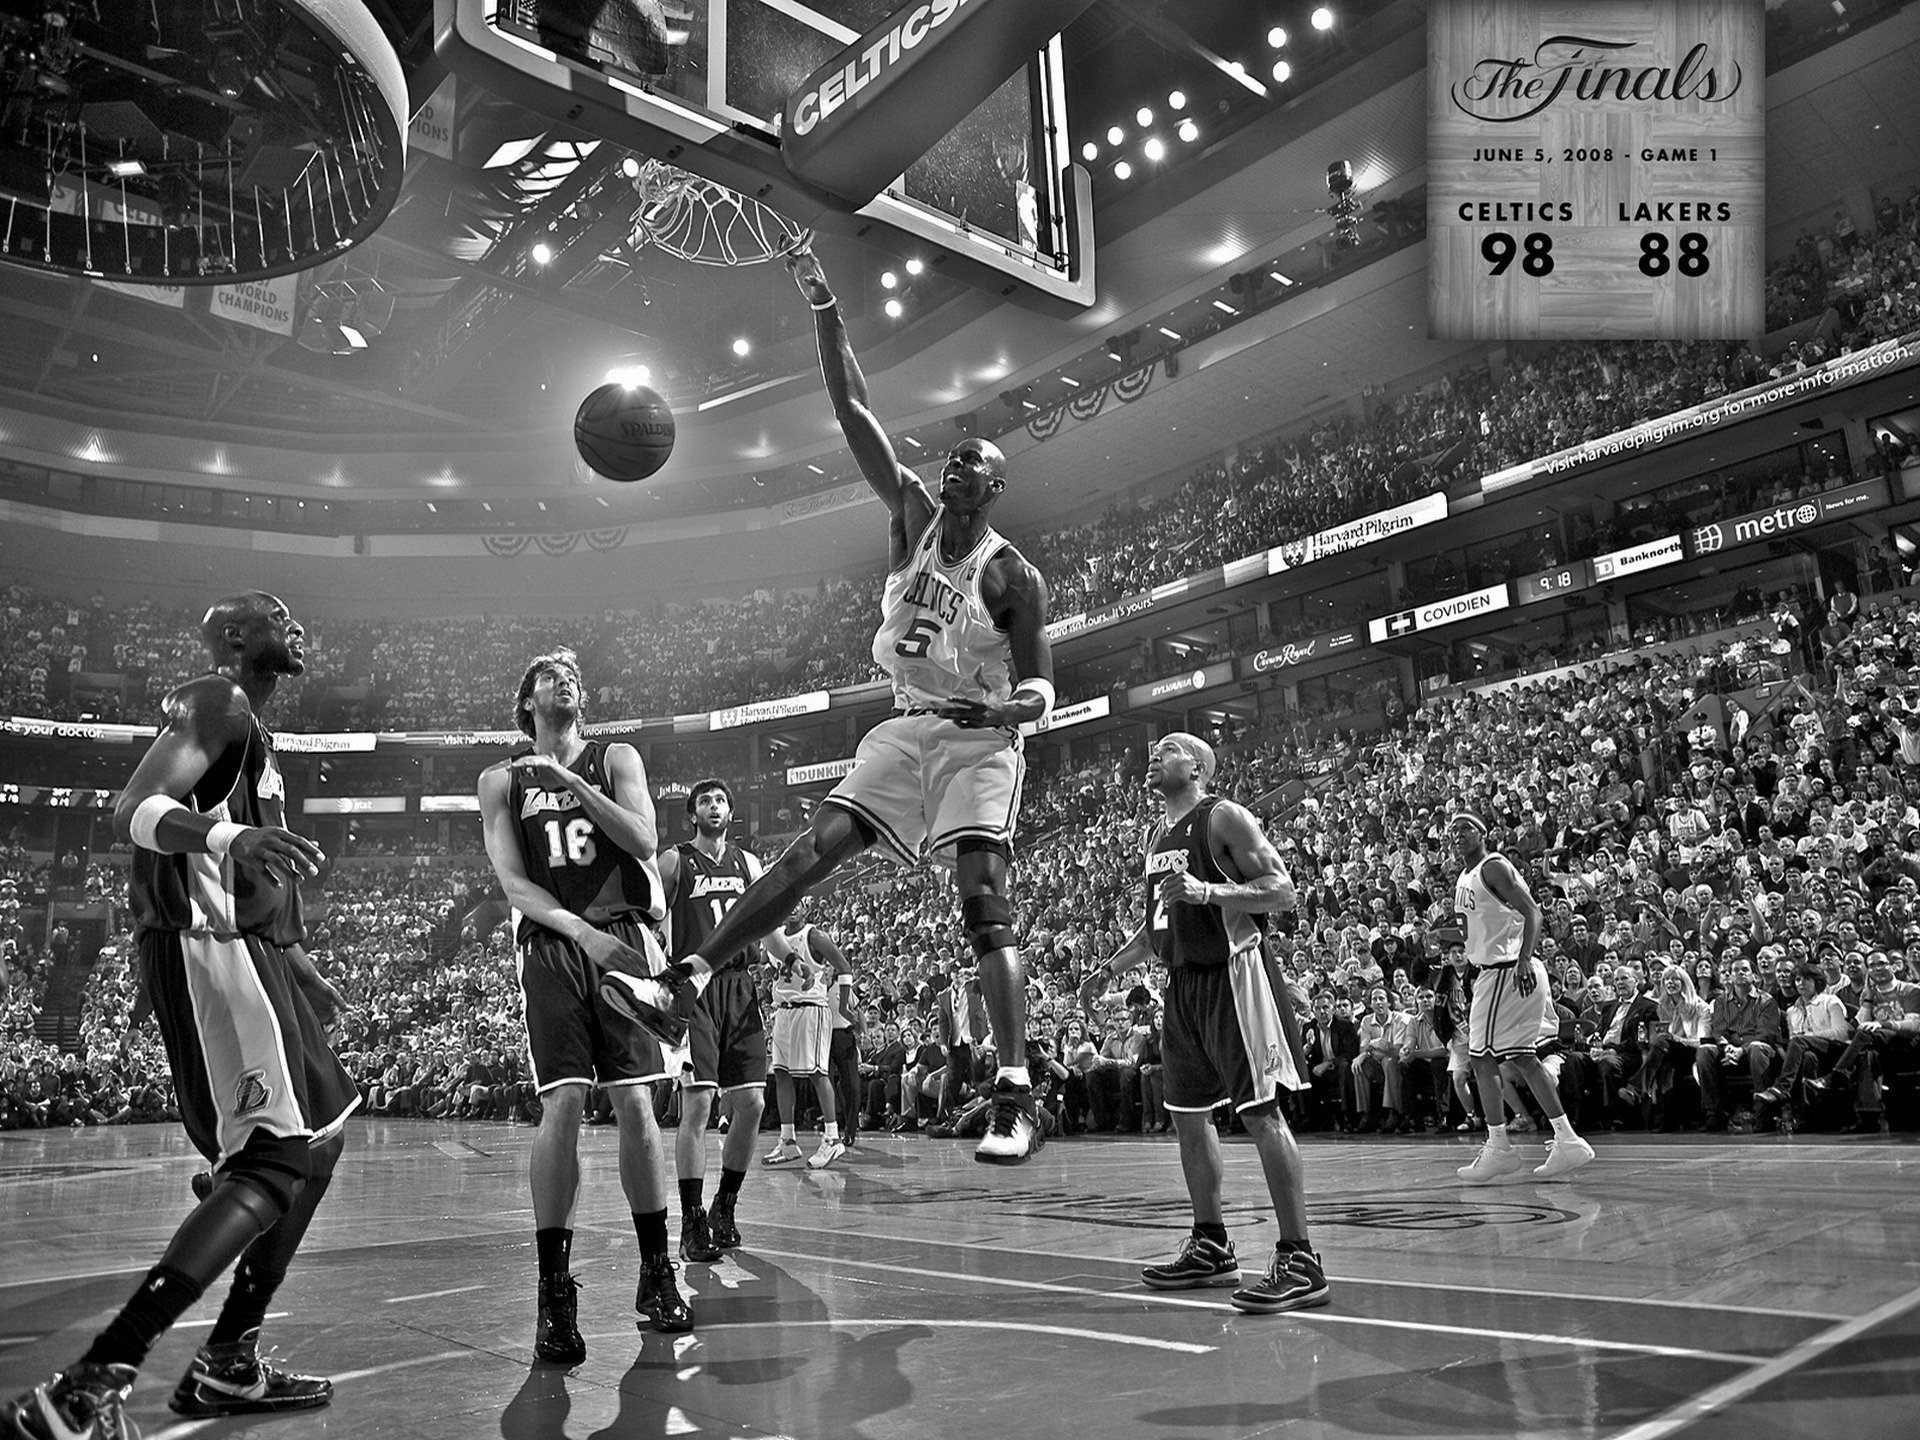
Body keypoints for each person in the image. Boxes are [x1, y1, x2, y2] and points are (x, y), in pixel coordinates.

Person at [603, 237, 1058, 1163]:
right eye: (954, 457)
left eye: (972, 463)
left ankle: (1016, 1086)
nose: (954, 466)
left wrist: (1005, 715)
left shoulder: (1012, 576)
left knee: (982, 898)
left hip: (978, 741)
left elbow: (1044, 683)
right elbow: (853, 406)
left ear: (996, 487)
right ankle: (685, 975)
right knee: (811, 851)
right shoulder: (907, 516)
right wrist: (822, 302)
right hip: (905, 725)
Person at [5, 593, 352, 1440]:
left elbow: (253, 849)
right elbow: (132, 812)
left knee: (323, 1136)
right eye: (278, 615)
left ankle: (230, 1360)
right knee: (272, 1161)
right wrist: (229, 843)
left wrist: (295, 955)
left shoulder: (252, 731)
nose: (299, 626)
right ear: (236, 637)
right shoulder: (218, 700)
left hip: (253, 950)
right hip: (212, 949)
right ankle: (89, 1383)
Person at [477, 648, 692, 1362]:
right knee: (562, 1103)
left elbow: (643, 838)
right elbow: (513, 881)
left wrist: (568, 779)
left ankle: (656, 1272)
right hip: (552, 942)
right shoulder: (499, 781)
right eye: (549, 675)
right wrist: (580, 937)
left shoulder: (613, 759)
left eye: (574, 675)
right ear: (527, 702)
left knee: (635, 1104)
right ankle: (554, 1295)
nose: (566, 679)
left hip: (624, 930)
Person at [1079, 732, 1328, 1316]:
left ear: (1195, 767)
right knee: (1187, 1118)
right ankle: (1212, 1245)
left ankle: (1301, 1258)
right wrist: (1107, 970)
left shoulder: (1223, 817)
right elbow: (1156, 925)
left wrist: (1209, 889)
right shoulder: (1155, 838)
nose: (1151, 755)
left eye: (1164, 749)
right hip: (1181, 984)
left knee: (1261, 1112)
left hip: (1233, 975)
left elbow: (1282, 891)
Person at [1449, 812, 1596, 1182]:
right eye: (1452, 831)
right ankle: (1567, 1139)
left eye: (1465, 828)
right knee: (1521, 1057)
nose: (1457, 834)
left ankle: (1499, 1146)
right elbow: (1488, 924)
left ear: (1483, 833)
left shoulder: (1493, 866)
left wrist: (1525, 959)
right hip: (1496, 970)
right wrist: (1446, 937)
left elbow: (1532, 910)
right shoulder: (1465, 876)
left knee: (1481, 1058)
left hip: (1506, 971)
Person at [761, 912, 848, 1170]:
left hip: (811, 1009)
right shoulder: (774, 937)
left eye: (799, 904)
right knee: (780, 1073)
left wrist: (844, 1006)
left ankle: (832, 1137)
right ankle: (787, 1140)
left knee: (817, 1073)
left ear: (807, 908)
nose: (792, 909)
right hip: (784, 1010)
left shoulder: (814, 935)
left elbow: (844, 967)